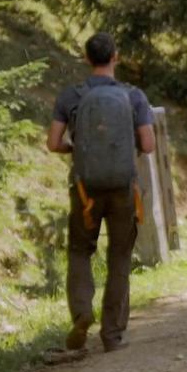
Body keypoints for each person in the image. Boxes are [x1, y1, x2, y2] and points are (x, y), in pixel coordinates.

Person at [46, 32, 155, 353]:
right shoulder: (133, 96)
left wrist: (76, 150)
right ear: (116, 56)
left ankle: (82, 313)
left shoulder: (72, 95)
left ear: (86, 58)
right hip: (123, 187)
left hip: (85, 189)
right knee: (119, 256)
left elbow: (53, 143)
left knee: (81, 250)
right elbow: (148, 144)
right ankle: (112, 334)